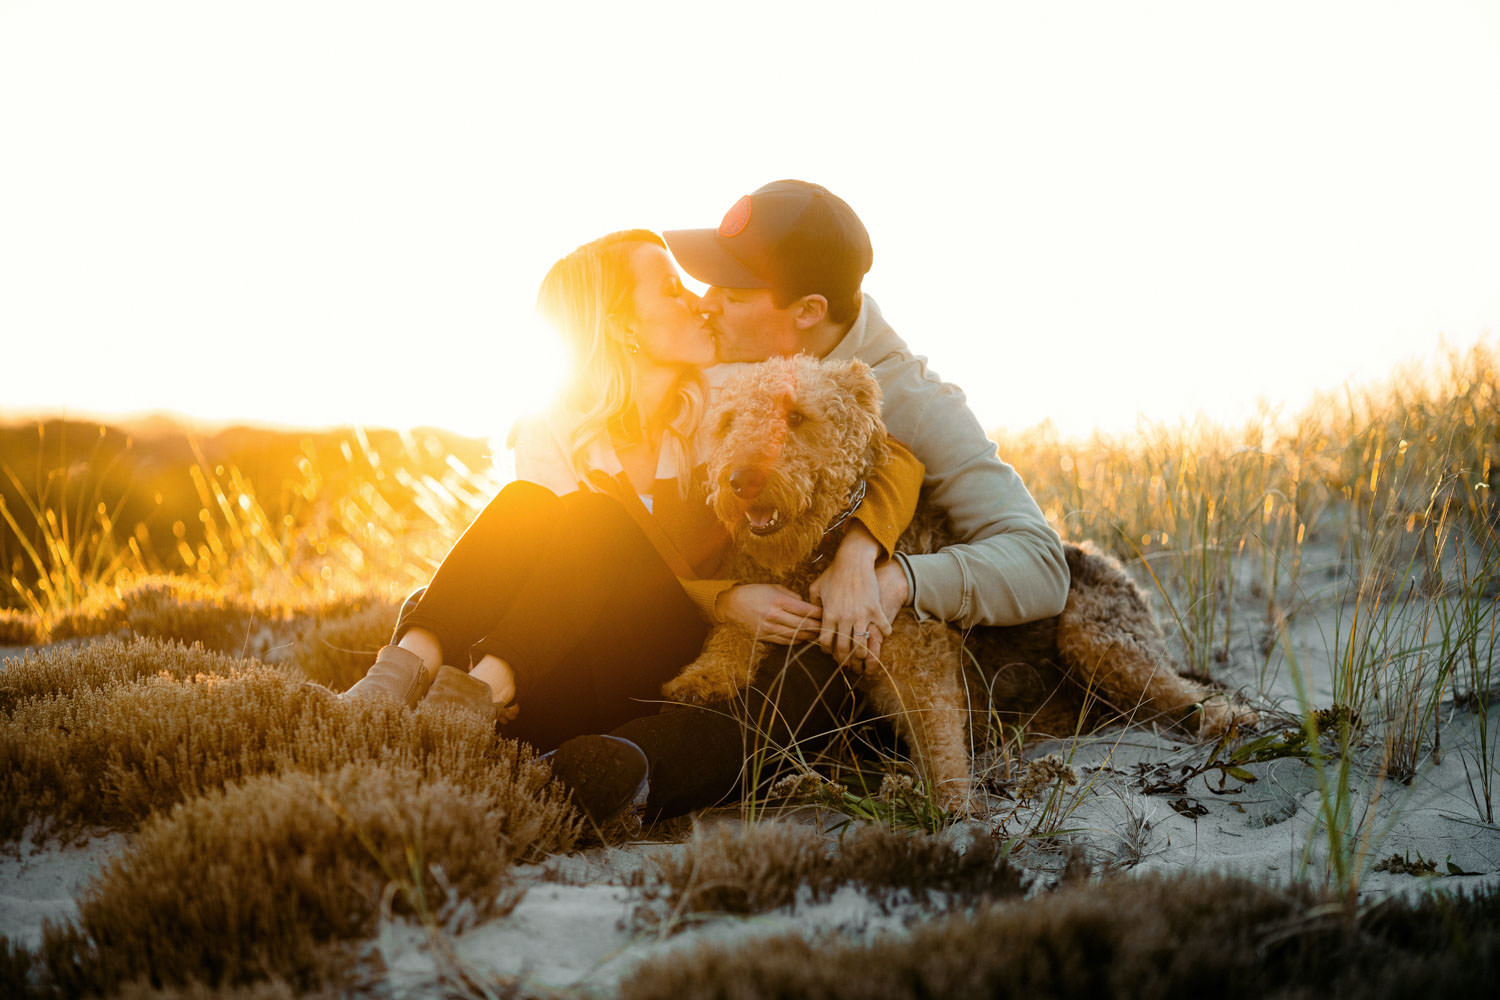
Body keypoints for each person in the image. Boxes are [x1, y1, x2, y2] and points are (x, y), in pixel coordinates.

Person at [336, 229, 925, 824]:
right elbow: (555, 580)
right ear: (624, 327)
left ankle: (525, 725)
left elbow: (892, 456)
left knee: (604, 531)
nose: (698, 301)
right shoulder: (552, 429)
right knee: (541, 509)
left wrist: (856, 554)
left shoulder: (724, 397)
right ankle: (405, 681)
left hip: (681, 654)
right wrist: (724, 600)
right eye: (672, 290)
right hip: (573, 655)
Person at [663, 180, 1070, 634]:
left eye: (732, 296)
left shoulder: (915, 403)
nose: (704, 305)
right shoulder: (724, 368)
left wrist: (897, 578)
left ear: (808, 311)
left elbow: (1042, 564)